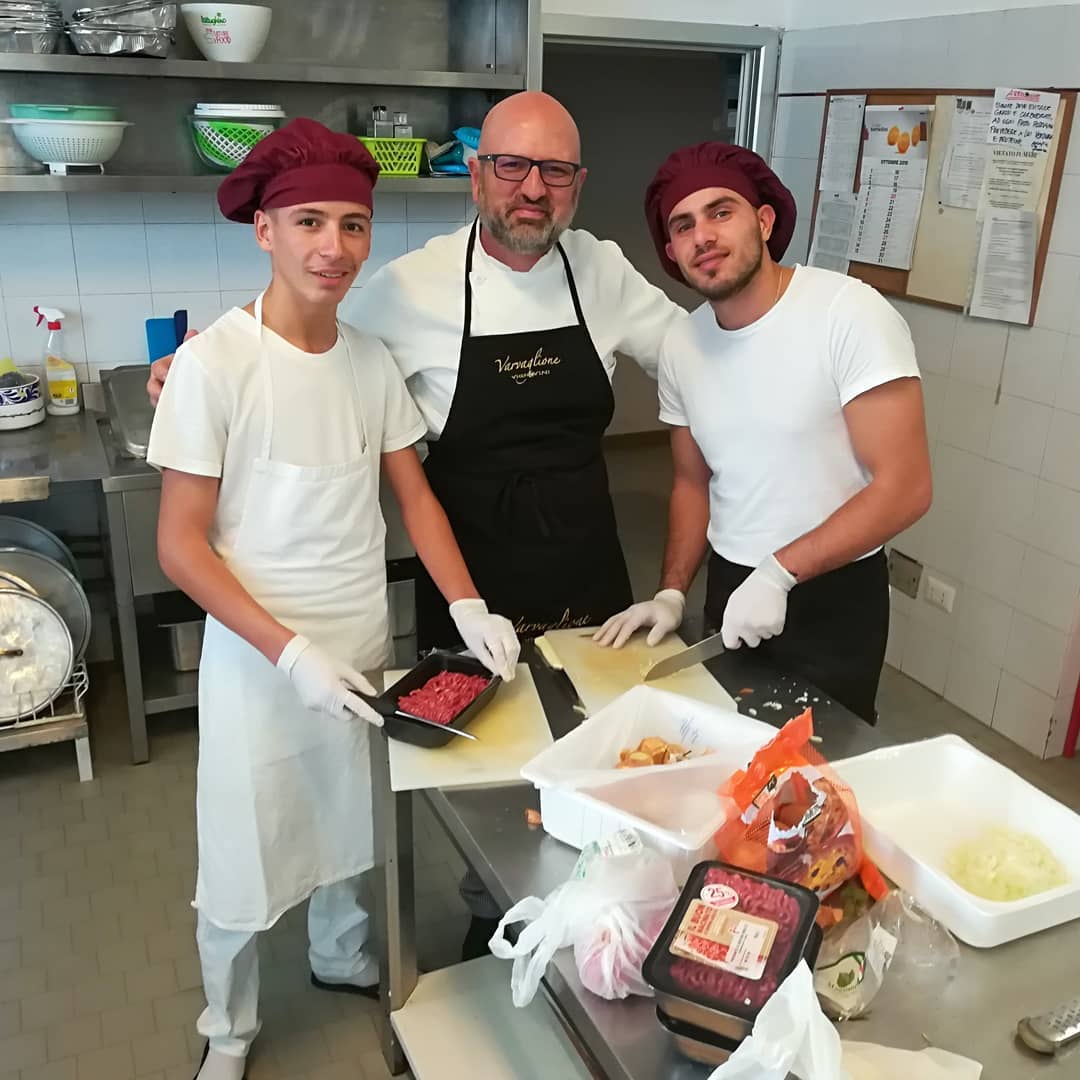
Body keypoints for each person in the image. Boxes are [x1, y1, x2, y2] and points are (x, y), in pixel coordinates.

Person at [146, 91, 685, 959]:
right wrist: (194, 364)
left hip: (583, 558)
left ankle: (591, 914)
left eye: (554, 171)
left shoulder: (605, 272)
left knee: (590, 748)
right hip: (470, 561)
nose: (532, 189)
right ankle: (489, 909)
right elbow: (302, 336)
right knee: (480, 764)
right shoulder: (406, 288)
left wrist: (779, 345)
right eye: (511, 165)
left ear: (578, 184)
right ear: (476, 174)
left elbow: (696, 360)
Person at [147, 118, 519, 1080]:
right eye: (309, 221)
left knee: (351, 819)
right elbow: (180, 546)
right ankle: (229, 1029)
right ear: (264, 230)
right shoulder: (214, 364)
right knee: (242, 846)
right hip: (257, 658)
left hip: (356, 637)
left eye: (353, 225)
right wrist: (290, 654)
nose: (334, 246)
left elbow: (414, 497)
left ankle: (340, 954)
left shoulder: (366, 359)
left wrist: (467, 604)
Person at [596, 143, 932, 724]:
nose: (703, 236)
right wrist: (672, 592)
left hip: (833, 594)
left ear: (765, 220)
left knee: (817, 764)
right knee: (724, 751)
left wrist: (779, 572)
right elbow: (692, 484)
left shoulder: (848, 314)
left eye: (721, 212)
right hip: (731, 586)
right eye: (683, 225)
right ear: (672, 252)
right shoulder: (682, 345)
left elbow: (906, 488)